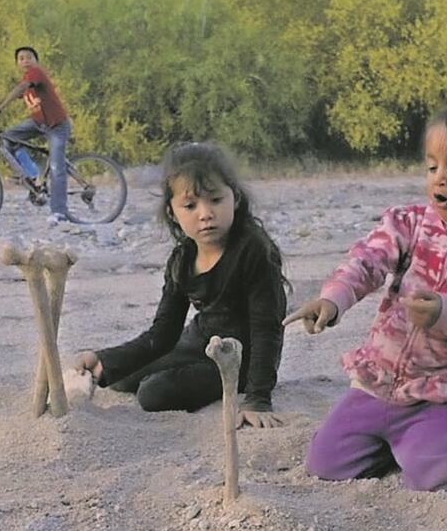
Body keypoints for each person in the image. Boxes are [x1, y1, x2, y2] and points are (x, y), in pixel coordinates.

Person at [284, 96, 447, 493]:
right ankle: (406, 444)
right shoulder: (410, 223)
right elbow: (367, 260)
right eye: (432, 166)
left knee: (444, 479)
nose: (440, 178)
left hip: (446, 393)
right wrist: (334, 298)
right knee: (326, 464)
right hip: (380, 382)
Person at [72, 142, 289, 427]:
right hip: (199, 341)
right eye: (190, 205)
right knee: (119, 376)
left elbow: (267, 329)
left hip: (239, 358)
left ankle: (232, 383)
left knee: (153, 393)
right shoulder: (183, 258)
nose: (205, 213)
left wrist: (258, 397)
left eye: (215, 200)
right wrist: (103, 358)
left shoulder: (254, 250)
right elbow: (163, 333)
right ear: (173, 212)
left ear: (235, 198)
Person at [0, 45, 73, 224]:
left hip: (56, 126)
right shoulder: (25, 80)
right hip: (38, 123)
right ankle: (32, 174)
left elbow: (22, 87)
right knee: (7, 138)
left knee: (56, 167)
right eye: (21, 58)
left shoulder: (36, 74)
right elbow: (11, 94)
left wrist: (1, 107)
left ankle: (59, 212)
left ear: (36, 61)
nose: (25, 61)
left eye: (29, 57)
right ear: (17, 63)